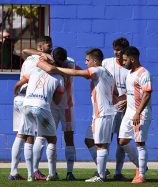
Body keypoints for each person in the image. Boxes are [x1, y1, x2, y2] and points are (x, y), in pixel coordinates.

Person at [53, 48, 117, 182]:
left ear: (95, 61)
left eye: (87, 60)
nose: (86, 63)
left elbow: (77, 72)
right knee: (89, 140)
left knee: (101, 145)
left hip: (103, 114)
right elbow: (115, 94)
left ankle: (101, 176)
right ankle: (102, 171)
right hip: (99, 114)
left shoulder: (98, 70)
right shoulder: (108, 74)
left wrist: (57, 70)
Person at [23, 43, 79, 181]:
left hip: (66, 105)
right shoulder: (44, 61)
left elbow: (76, 70)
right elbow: (25, 50)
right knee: (42, 137)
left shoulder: (69, 62)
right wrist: (42, 54)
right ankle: (36, 171)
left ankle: (69, 172)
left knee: (68, 137)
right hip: (49, 106)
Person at [14, 55, 65, 182]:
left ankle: (30, 175)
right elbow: (58, 101)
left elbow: (18, 84)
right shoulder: (59, 77)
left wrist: (16, 94)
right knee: (52, 139)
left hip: (26, 105)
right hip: (41, 106)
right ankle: (52, 174)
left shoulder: (34, 70)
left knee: (27, 137)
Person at [8, 36, 53, 181]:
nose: (50, 48)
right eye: (48, 45)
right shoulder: (39, 62)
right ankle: (32, 172)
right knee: (29, 136)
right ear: (40, 47)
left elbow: (25, 51)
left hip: (20, 97)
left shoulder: (28, 59)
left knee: (20, 135)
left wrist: (16, 92)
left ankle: (14, 172)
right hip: (29, 98)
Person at [102, 37, 137, 181]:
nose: (117, 52)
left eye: (120, 50)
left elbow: (135, 89)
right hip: (108, 108)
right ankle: (101, 171)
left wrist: (127, 100)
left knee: (121, 141)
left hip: (125, 110)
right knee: (104, 140)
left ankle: (118, 172)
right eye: (115, 49)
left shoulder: (131, 69)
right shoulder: (106, 63)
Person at [118, 46, 152, 184]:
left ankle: (141, 175)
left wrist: (138, 112)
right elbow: (132, 92)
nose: (123, 62)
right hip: (129, 113)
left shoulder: (144, 73)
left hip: (141, 113)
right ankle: (140, 165)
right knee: (122, 141)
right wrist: (125, 101)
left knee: (140, 143)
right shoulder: (130, 73)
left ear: (132, 59)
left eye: (125, 60)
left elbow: (147, 94)